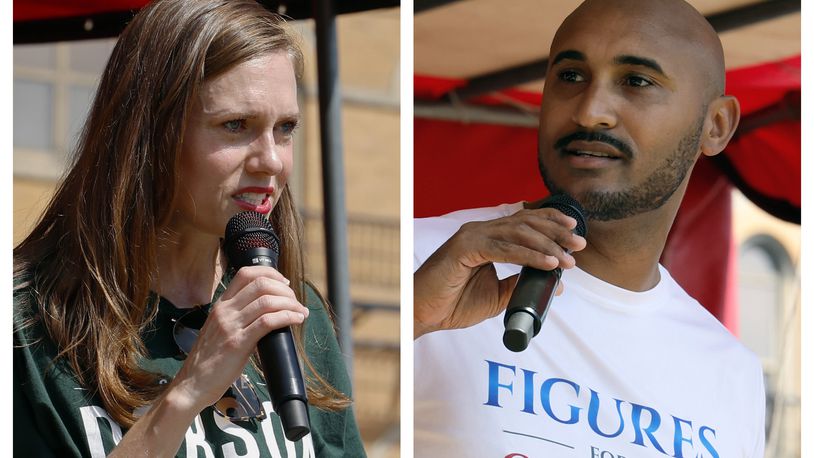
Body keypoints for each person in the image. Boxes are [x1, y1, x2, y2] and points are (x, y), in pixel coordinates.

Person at [13, 1, 365, 456]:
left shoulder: (295, 312)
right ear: (150, 133)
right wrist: (186, 392)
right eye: (235, 125)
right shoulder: (26, 325)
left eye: (285, 128)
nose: (272, 161)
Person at [414, 0, 765, 456]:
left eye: (637, 81)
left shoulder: (734, 373)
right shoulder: (429, 263)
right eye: (571, 77)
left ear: (715, 126)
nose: (590, 112)